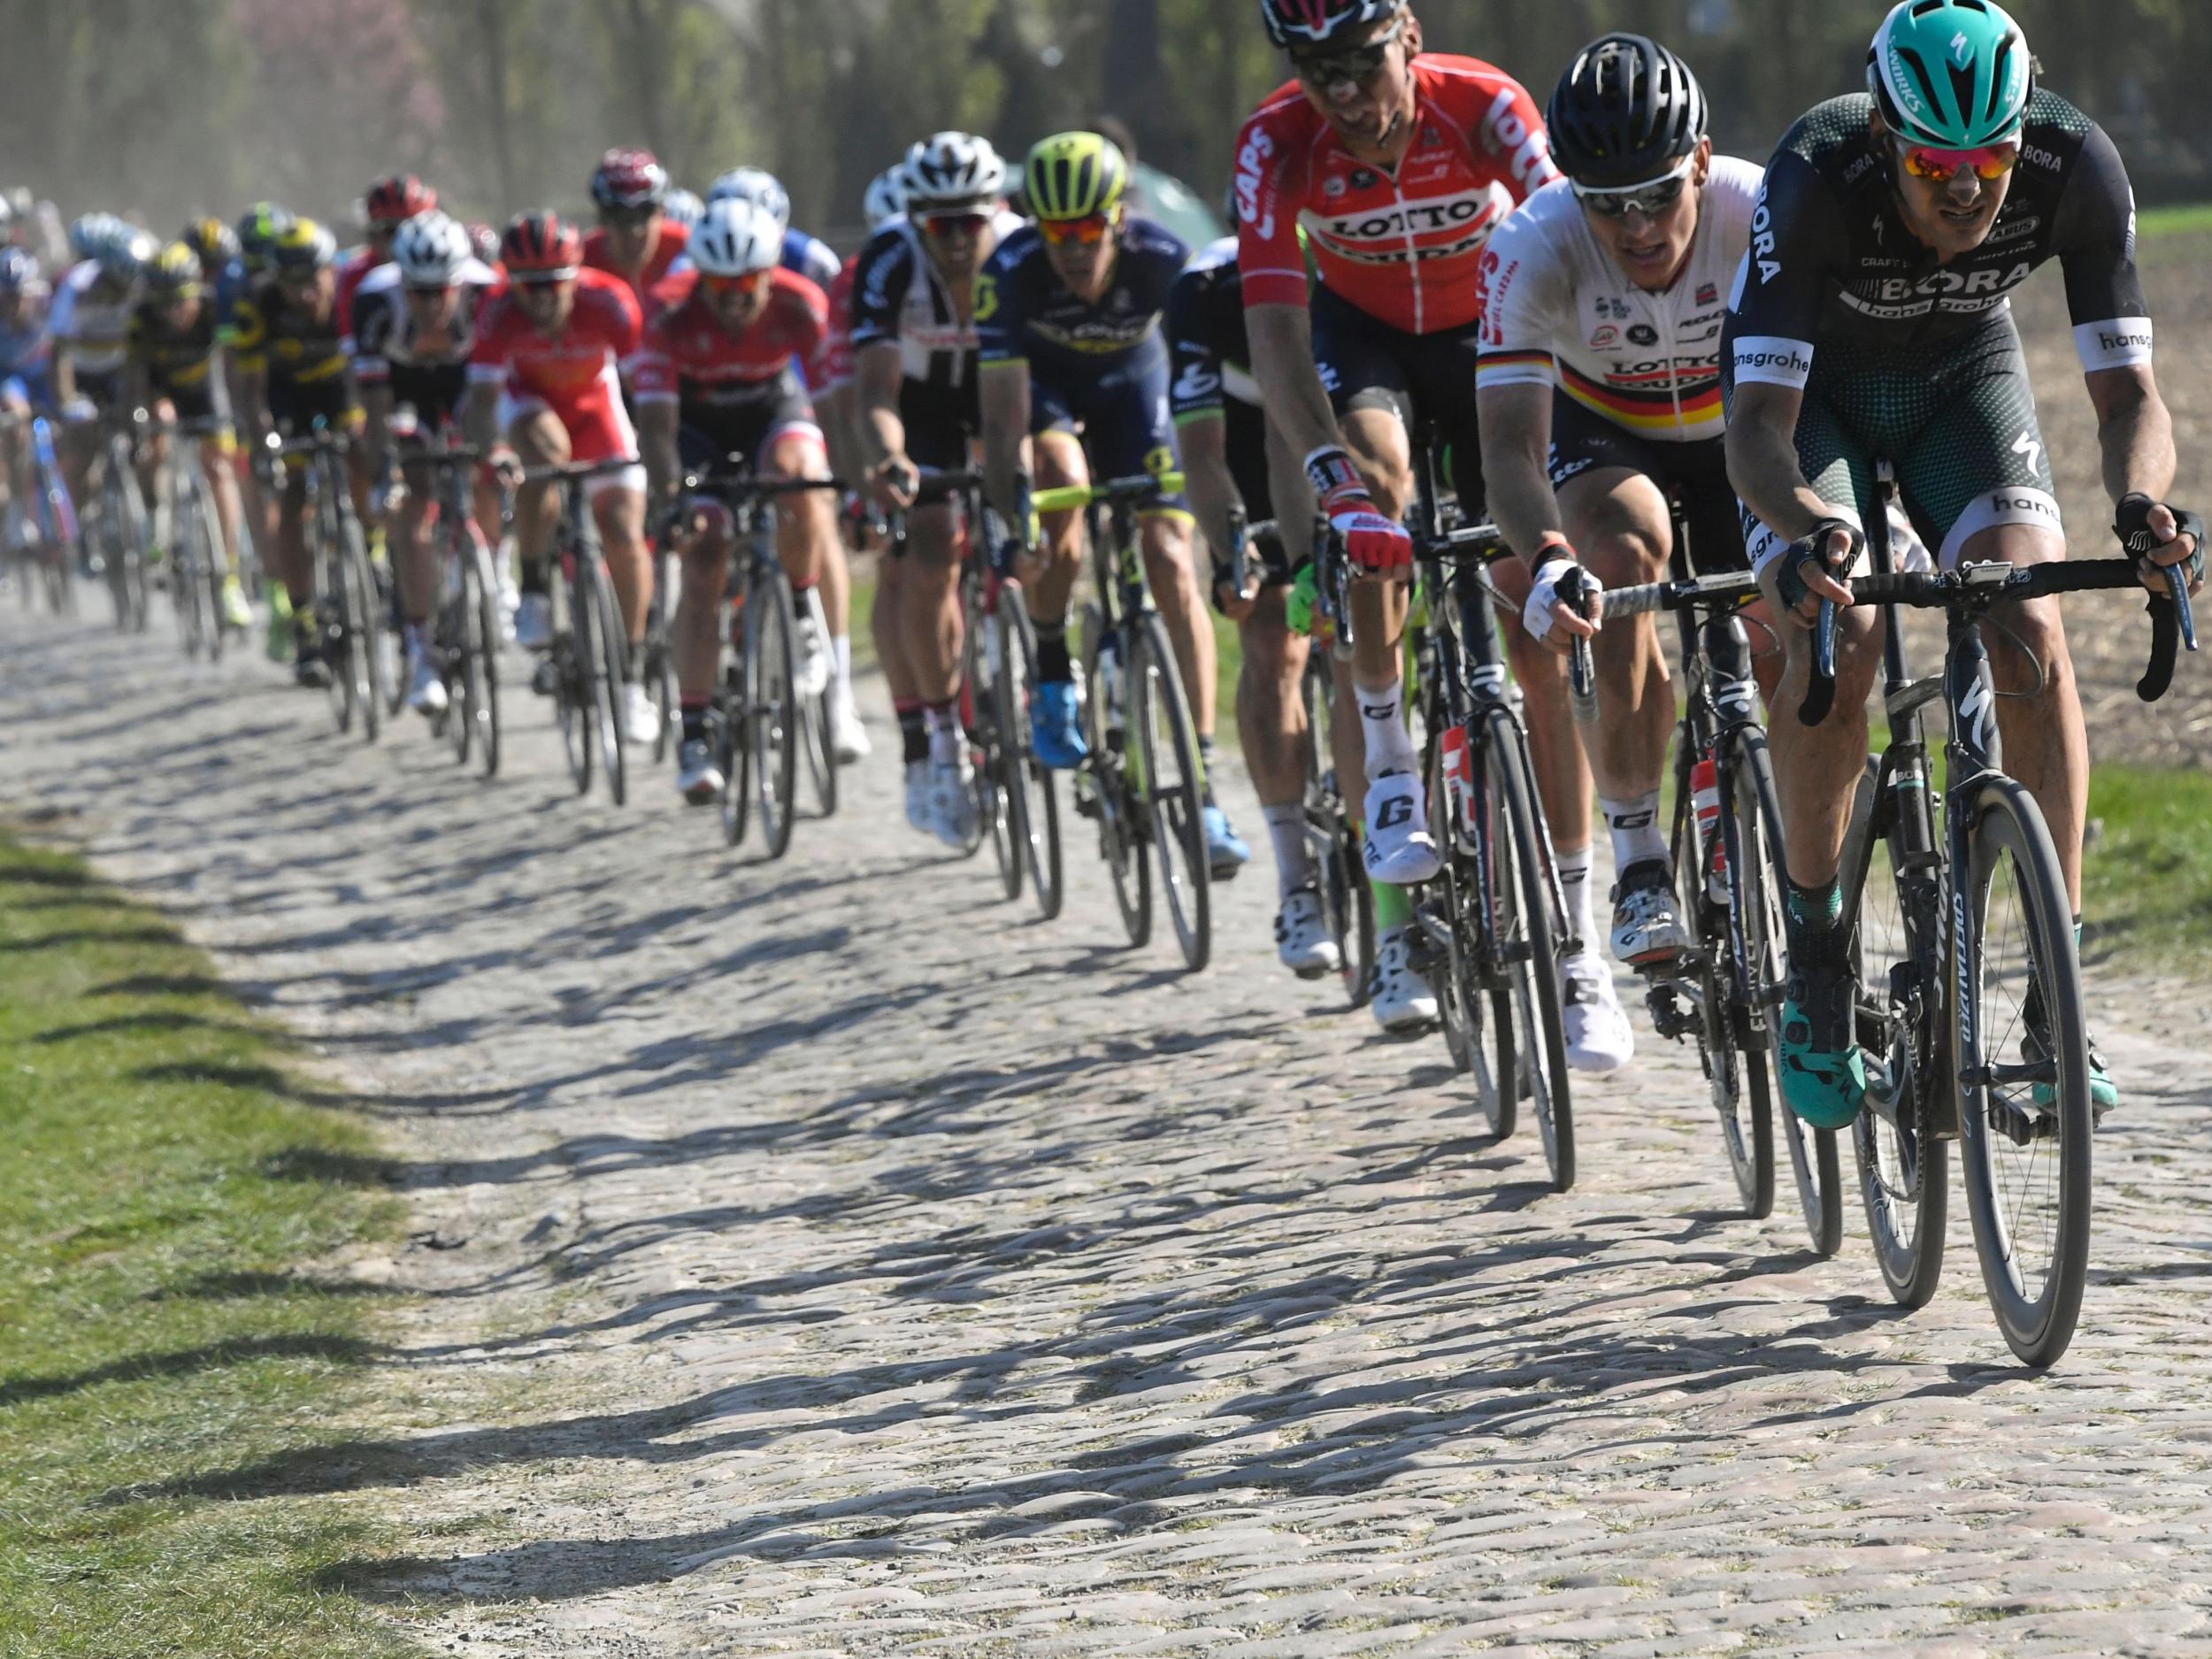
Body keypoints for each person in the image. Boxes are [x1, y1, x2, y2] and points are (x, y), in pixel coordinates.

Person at [1723, 0, 2201, 1127]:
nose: (1964, 194)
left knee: (2029, 628)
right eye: (1933, 165)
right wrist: (1805, 533)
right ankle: (1816, 959)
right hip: (1814, 408)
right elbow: (1750, 429)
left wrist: (2141, 506)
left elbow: (2130, 395)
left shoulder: (2076, 166)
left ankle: (2054, 1000)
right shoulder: (1813, 175)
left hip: (1960, 386)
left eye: (1985, 162)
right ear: (1885, 140)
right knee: (1841, 634)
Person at [1237, 0, 1557, 1026]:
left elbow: (1571, 241)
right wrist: (1326, 471)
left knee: (1526, 570)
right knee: (1376, 484)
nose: (1339, 93)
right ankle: (1384, 764)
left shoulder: (1486, 107)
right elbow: (1278, 340)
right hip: (1359, 337)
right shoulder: (1272, 143)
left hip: (1486, 331)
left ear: (1409, 37)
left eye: (1360, 63)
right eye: (1314, 68)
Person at [1472, 34, 1763, 1071]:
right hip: (1607, 436)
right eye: (1607, 202)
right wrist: (1548, 554)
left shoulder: (1757, 208)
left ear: (1698, 160)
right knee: (1625, 551)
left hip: (1744, 433)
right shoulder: (1531, 242)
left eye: (1653, 193)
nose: (1635, 225)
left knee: (1799, 606)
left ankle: (1762, 805)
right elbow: (1509, 445)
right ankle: (1640, 854)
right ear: (1568, 187)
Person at [978, 131, 1250, 878]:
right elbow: (1001, 422)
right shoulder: (1008, 272)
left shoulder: (1163, 261)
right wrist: (1011, 519)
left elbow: (1207, 384)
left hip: (1137, 387)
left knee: (1170, 557)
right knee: (1060, 479)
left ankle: (1200, 780)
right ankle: (1054, 670)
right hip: (1047, 395)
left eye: (1086, 228)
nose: (1070, 248)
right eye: (1054, 231)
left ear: (1117, 218)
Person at [1168, 231, 1340, 979]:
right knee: (1273, 636)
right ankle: (1297, 878)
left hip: (1341, 414)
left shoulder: (1350, 263)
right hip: (1240, 441)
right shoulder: (1202, 296)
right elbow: (1202, 455)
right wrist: (1233, 554)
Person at [635, 197, 842, 802]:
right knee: (704, 555)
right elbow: (655, 428)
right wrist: (671, 495)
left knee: (795, 478)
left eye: (745, 284)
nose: (732, 298)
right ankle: (695, 731)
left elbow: (833, 406)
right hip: (696, 427)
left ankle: (802, 612)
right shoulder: (670, 311)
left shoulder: (800, 301)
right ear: (700, 275)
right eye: (719, 285)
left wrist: (851, 482)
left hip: (769, 409)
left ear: (768, 273)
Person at [849, 131, 1023, 843]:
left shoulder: (1018, 252)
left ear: (995, 212)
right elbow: (877, 391)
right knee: (928, 550)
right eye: (940, 224)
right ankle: (942, 738)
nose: (956, 238)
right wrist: (892, 461)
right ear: (918, 220)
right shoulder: (890, 260)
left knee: (1035, 515)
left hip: (998, 397)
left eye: (969, 221)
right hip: (917, 409)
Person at [465, 211, 658, 747]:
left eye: (554, 284)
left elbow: (648, 391)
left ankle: (632, 677)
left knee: (623, 531)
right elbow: (482, 402)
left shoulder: (611, 300)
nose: (542, 298)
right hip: (530, 406)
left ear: (575, 275)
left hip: (596, 407)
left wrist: (658, 460)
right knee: (544, 450)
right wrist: (495, 450)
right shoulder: (497, 309)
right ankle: (533, 587)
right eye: (528, 286)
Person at [351, 210, 502, 716]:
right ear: (403, 283)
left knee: (488, 464)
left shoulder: (487, 296)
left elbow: (497, 393)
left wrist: (493, 448)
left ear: (462, 280)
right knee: (414, 503)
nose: (432, 302)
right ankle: (420, 649)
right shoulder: (375, 302)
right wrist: (383, 472)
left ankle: (493, 571)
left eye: (443, 290)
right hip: (403, 392)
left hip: (466, 384)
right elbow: (373, 406)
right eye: (420, 291)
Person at [228, 219, 362, 685]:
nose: (305, 294)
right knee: (291, 500)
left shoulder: (354, 290)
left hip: (344, 391)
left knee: (364, 456)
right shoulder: (259, 304)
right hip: (289, 400)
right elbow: (247, 385)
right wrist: (258, 437)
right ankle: (304, 621)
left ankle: (376, 553)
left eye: (313, 281)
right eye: (292, 284)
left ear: (331, 269)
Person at [124, 241, 252, 632]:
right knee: (156, 430)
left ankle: (229, 577)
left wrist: (241, 415)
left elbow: (233, 366)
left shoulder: (215, 308)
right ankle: (158, 520)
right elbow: (134, 378)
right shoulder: (142, 318)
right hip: (163, 391)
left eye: (180, 301)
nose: (171, 313)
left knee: (219, 470)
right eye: (163, 303)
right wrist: (140, 428)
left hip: (208, 391)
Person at [583, 149, 689, 318]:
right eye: (620, 216)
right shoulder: (582, 259)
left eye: (644, 213)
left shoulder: (687, 247)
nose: (634, 232)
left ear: (661, 212)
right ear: (602, 218)